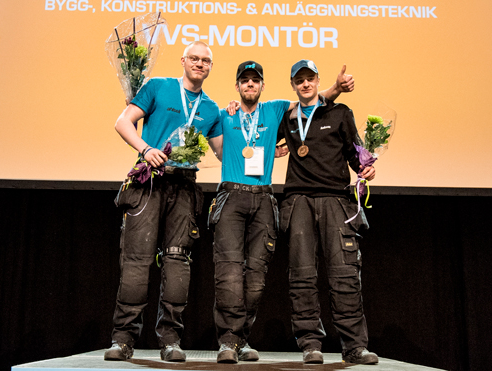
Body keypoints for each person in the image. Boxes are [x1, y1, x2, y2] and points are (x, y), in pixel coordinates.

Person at [209, 60, 354, 363]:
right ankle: (227, 341)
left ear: (262, 86)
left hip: (263, 198)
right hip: (232, 196)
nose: (249, 85)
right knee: (230, 274)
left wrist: (338, 89)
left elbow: (312, 100)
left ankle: (242, 339)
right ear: (237, 86)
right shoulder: (224, 115)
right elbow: (217, 148)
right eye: (244, 81)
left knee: (257, 278)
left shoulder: (276, 110)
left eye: (255, 80)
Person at [104, 41, 223, 362]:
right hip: (148, 182)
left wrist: (254, 139)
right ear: (183, 61)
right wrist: (146, 149)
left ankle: (171, 340)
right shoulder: (158, 87)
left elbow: (224, 153)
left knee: (177, 263)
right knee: (136, 262)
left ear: (211, 67)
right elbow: (122, 122)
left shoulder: (212, 109)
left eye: (206, 61)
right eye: (194, 58)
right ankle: (123, 339)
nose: (200, 64)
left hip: (184, 188)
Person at [277, 59, 378, 365]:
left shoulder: (340, 113)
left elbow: (354, 152)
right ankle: (310, 344)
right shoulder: (288, 117)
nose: (305, 84)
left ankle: (354, 346)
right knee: (302, 276)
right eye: (299, 81)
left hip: (336, 200)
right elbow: (260, 127)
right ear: (293, 85)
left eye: (310, 79)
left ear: (318, 81)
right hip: (299, 202)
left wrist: (365, 167)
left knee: (345, 275)